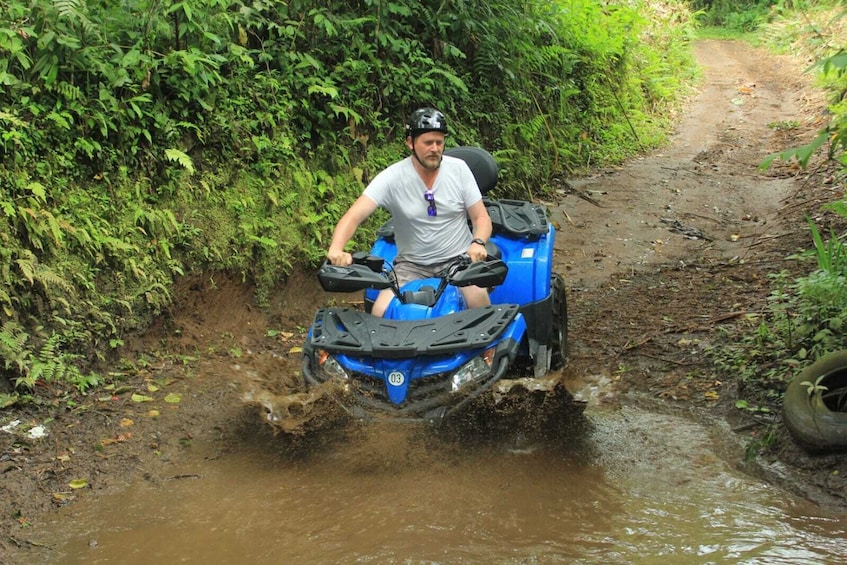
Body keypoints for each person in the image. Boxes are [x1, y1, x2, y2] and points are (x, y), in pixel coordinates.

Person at [326, 107, 493, 317]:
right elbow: (354, 216)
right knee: (379, 312)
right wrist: (336, 248)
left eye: (439, 142)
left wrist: (477, 242)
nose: (435, 148)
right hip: (411, 265)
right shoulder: (392, 177)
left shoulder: (458, 170)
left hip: (458, 260)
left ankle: (488, 351)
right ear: (410, 143)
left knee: (480, 303)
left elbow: (481, 218)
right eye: (428, 143)